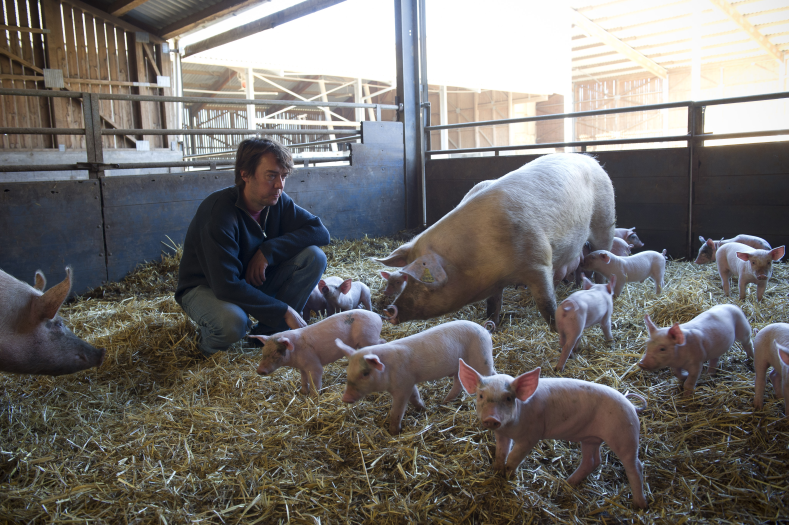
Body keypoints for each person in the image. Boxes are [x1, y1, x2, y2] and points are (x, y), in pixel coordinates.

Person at [175, 138, 330, 356]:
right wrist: (284, 310)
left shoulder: (277, 201)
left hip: (248, 281)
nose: (279, 185)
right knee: (233, 323)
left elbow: (320, 231)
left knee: (314, 257)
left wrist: (268, 252)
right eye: (271, 176)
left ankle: (268, 335)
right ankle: (207, 351)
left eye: (283, 176)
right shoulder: (219, 213)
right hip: (206, 288)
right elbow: (226, 285)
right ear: (245, 174)